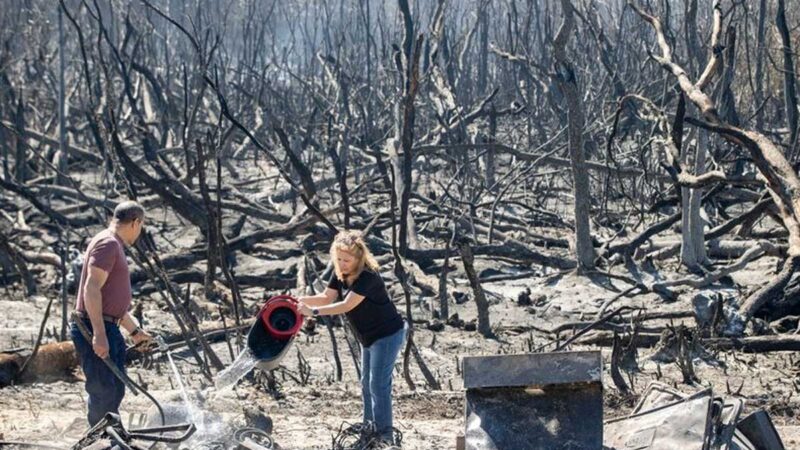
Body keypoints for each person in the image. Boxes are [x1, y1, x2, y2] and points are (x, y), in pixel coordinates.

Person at [297, 230, 406, 445]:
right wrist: (297, 300)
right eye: (338, 259)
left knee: (378, 385)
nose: (342, 264)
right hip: (367, 336)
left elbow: (346, 305)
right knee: (366, 384)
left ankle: (385, 437)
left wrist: (313, 313)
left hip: (387, 335)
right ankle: (369, 431)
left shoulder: (368, 277)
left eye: (347, 260)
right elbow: (326, 297)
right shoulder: (340, 275)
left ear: (359, 258)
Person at [71, 201, 153, 426]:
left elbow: (112, 303)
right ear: (135, 222)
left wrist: (135, 332)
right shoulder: (108, 243)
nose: (140, 232)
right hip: (94, 325)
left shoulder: (112, 244)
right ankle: (100, 440)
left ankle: (111, 435)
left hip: (108, 325)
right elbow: (91, 288)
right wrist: (98, 334)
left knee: (115, 389)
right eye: (141, 226)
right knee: (103, 390)